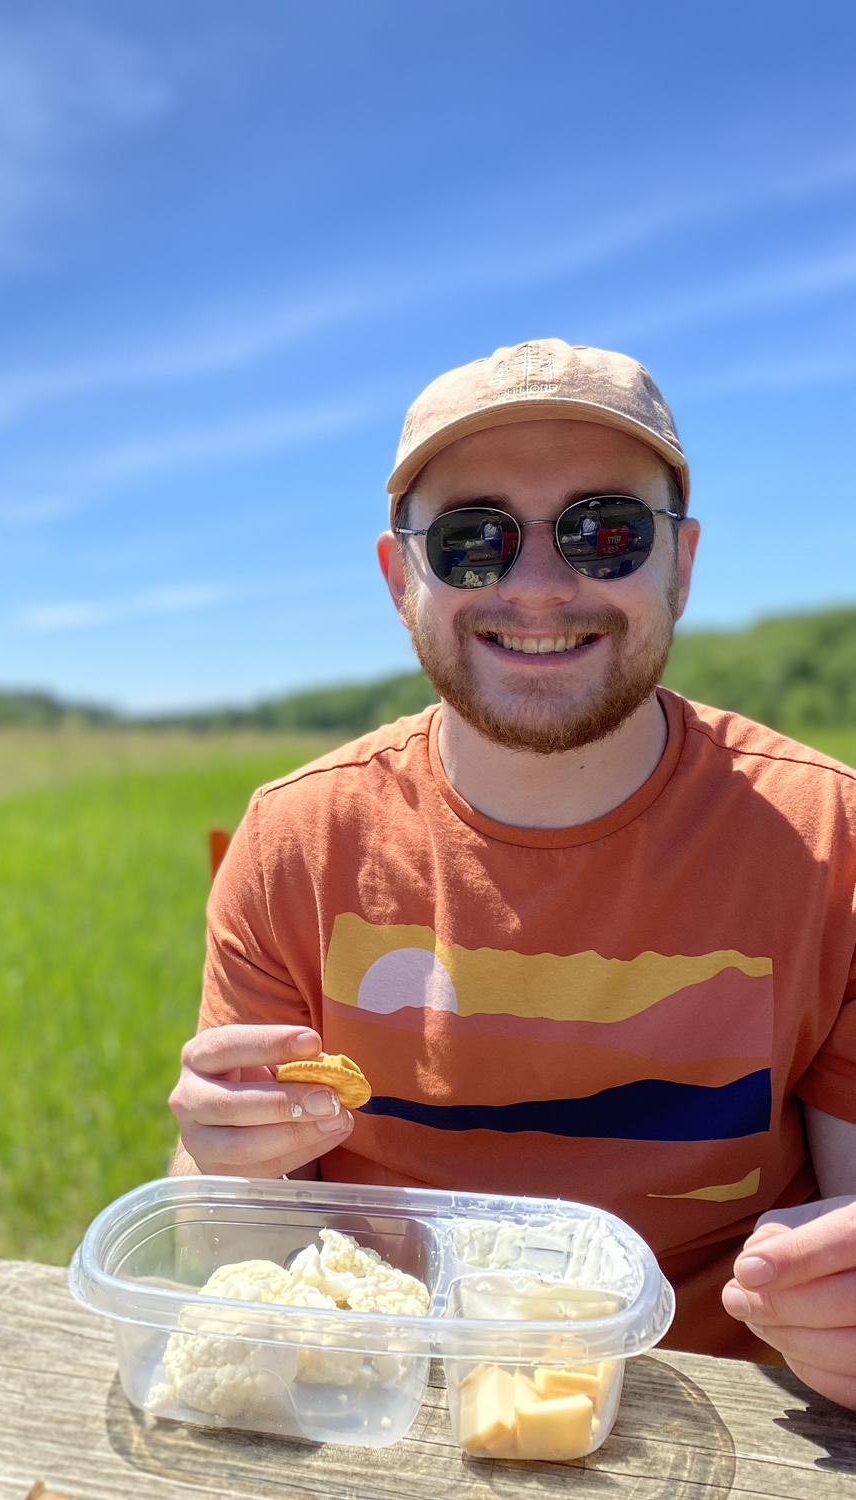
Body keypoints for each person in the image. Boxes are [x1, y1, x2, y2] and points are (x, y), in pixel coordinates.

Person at [167, 339, 856, 1410]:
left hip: (723, 1418)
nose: (540, 587)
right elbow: (231, 1244)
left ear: (681, 562)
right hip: (381, 1405)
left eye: (606, 532)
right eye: (473, 540)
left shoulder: (832, 841)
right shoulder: (296, 842)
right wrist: (226, 1162)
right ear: (404, 579)